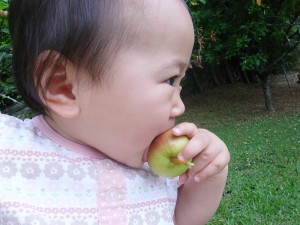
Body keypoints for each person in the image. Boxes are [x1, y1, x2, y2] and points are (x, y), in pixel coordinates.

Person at [0, 0, 230, 224]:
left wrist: (209, 176)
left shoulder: (154, 171)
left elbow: (181, 219)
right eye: (170, 80)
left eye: (180, 82)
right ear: (64, 86)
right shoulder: (10, 150)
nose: (180, 106)